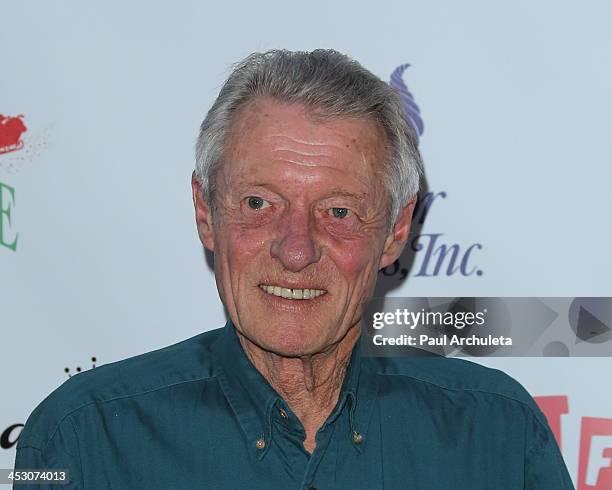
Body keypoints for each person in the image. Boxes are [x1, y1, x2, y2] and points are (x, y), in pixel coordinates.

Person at [14, 49, 574, 489]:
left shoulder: (496, 432)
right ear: (205, 213)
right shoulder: (83, 439)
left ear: (396, 232)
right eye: (259, 204)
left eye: (339, 212)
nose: (297, 249)